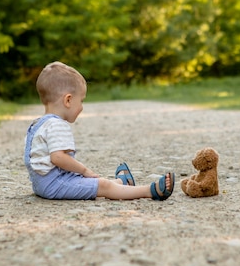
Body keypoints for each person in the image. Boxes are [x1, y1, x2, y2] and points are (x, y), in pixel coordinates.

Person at [24, 61, 175, 201]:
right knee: (103, 186)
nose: (82, 107)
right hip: (54, 185)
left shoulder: (39, 124)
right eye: (81, 100)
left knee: (91, 183)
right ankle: (149, 191)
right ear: (68, 100)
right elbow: (58, 158)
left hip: (41, 184)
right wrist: (84, 170)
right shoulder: (57, 125)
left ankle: (121, 182)